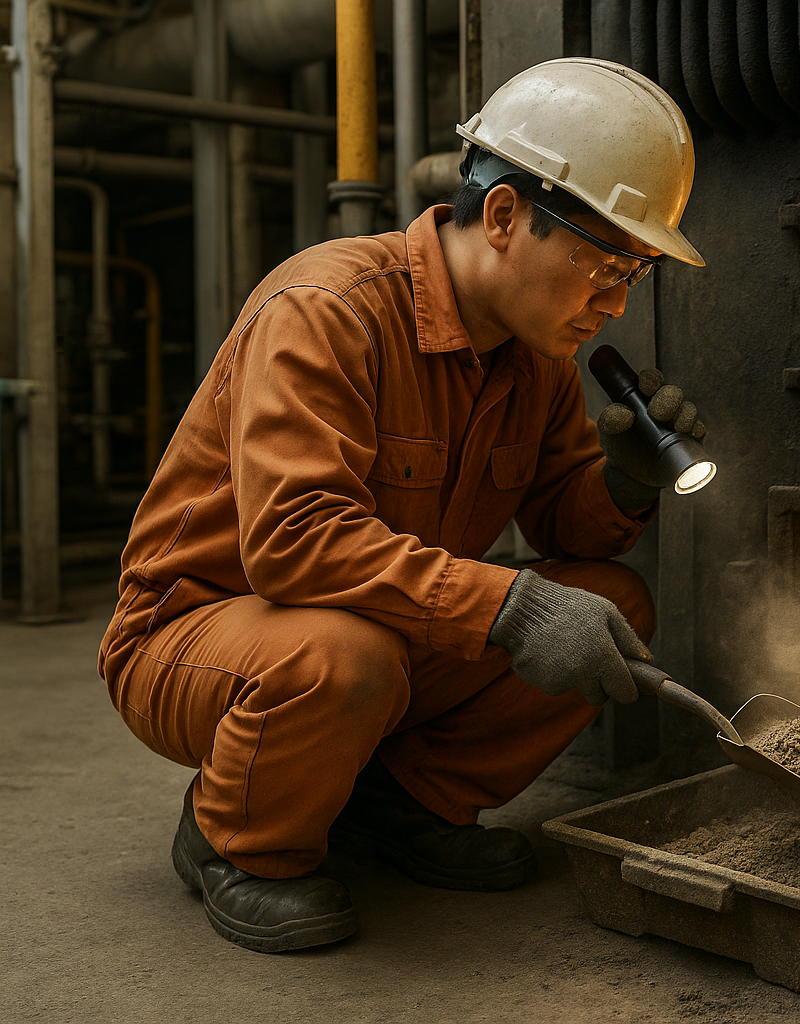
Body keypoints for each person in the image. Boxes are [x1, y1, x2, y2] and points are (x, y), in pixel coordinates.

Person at [96, 58, 709, 953]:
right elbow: (293, 543)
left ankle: (397, 803)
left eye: (637, 273)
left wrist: (621, 482)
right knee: (347, 658)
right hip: (195, 636)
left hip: (380, 628)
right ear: (503, 216)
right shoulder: (328, 307)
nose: (615, 303)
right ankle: (236, 840)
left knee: (612, 607)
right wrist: (506, 603)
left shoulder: (532, 360)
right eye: (605, 263)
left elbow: (559, 527)